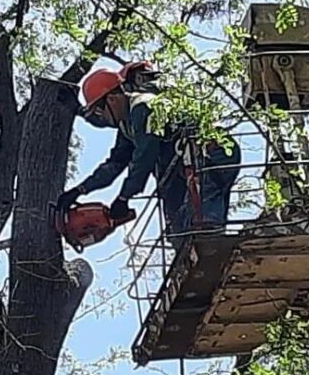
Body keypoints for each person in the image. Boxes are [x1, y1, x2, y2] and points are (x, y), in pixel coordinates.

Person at [57, 61, 241, 243]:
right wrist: (79, 191)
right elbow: (114, 165)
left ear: (112, 99)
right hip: (188, 165)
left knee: (202, 219)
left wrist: (123, 197)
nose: (101, 118)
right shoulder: (127, 127)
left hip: (211, 153)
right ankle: (192, 257)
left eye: (99, 111)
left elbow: (145, 157)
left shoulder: (142, 106)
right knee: (179, 228)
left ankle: (209, 247)